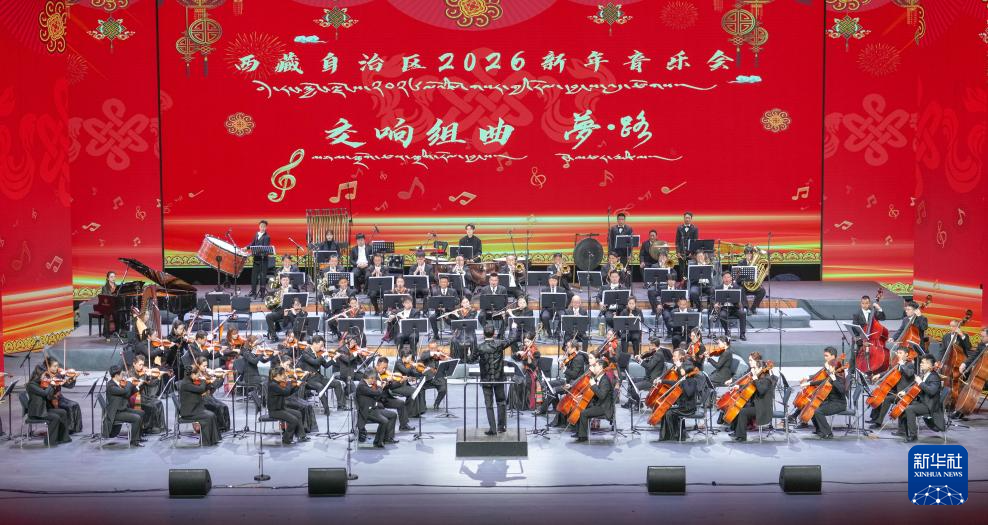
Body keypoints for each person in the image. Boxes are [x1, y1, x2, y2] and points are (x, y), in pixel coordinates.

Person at [896, 355, 945, 442]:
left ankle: (913, 436)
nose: (920, 364)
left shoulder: (934, 377)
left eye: (923, 363)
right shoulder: (924, 374)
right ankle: (904, 431)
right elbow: (915, 386)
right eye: (921, 363)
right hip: (923, 402)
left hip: (930, 405)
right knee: (903, 405)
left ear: (929, 365)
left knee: (909, 409)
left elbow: (931, 391)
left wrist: (921, 383)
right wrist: (905, 391)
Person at [657, 349, 702, 442]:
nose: (673, 358)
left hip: (688, 408)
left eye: (674, 356)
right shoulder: (685, 379)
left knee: (669, 413)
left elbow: (689, 393)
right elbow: (676, 383)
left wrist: (682, 377)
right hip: (683, 405)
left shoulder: (692, 381)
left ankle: (674, 436)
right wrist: (662, 381)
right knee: (666, 411)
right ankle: (669, 436)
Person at [801, 347, 846, 440]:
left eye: (826, 356)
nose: (828, 370)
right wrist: (808, 383)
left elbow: (842, 390)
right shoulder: (831, 373)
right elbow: (823, 381)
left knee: (818, 411)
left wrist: (834, 379)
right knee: (813, 406)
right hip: (830, 401)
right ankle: (820, 430)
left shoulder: (840, 374)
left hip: (839, 403)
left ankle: (828, 433)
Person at [729, 354, 777, 442]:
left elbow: (761, 391)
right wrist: (739, 387)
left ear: (761, 369)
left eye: (755, 369)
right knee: (740, 407)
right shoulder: (760, 378)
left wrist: (755, 379)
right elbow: (750, 386)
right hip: (757, 405)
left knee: (743, 412)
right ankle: (737, 432)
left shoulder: (767, 379)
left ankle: (742, 436)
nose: (754, 371)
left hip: (763, 408)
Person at [867, 346, 915, 427]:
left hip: (902, 392)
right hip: (894, 388)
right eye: (898, 353)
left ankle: (878, 422)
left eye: (900, 353)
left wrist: (902, 365)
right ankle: (874, 418)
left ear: (906, 354)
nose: (898, 355)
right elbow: (890, 371)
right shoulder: (898, 363)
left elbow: (909, 373)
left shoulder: (910, 364)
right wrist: (879, 375)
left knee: (887, 398)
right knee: (879, 393)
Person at [26, 365, 72, 446]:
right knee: (55, 417)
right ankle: (50, 441)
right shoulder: (31, 385)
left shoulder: (41, 384)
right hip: (37, 412)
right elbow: (44, 393)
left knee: (63, 412)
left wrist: (54, 387)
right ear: (38, 375)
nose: (45, 378)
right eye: (44, 376)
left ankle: (63, 438)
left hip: (43, 409)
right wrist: (51, 385)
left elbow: (49, 396)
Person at [178, 364, 222, 446]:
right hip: (189, 412)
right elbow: (201, 389)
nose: (198, 377)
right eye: (198, 375)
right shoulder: (186, 384)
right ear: (192, 374)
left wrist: (210, 383)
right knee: (210, 416)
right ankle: (206, 441)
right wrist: (204, 380)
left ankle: (213, 440)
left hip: (194, 409)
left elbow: (201, 389)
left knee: (211, 414)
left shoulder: (190, 381)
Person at [574, 356, 614, 442]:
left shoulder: (605, 380)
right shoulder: (600, 378)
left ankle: (583, 437)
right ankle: (578, 432)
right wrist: (582, 397)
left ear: (600, 367)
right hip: (600, 404)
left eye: (595, 366)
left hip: (604, 408)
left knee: (583, 413)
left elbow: (602, 396)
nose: (593, 367)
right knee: (581, 407)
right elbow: (596, 394)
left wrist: (593, 385)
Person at [477, 325, 508, 435]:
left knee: (489, 405)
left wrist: (470, 354)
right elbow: (513, 339)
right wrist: (514, 328)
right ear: (494, 334)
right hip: (498, 378)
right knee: (501, 402)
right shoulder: (499, 344)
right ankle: (501, 427)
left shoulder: (480, 347)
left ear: (483, 334)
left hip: (486, 380)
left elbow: (471, 359)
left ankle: (493, 429)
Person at [103, 365, 145, 447]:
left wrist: (137, 385)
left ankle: (138, 437)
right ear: (116, 375)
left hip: (122, 409)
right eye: (121, 374)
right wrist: (129, 382)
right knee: (136, 418)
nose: (123, 376)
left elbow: (128, 393)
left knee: (141, 413)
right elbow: (125, 392)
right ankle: (134, 441)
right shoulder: (111, 386)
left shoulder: (119, 384)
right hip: (115, 413)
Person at [40, 358, 83, 434]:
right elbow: (48, 395)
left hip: (59, 397)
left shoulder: (58, 374)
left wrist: (73, 378)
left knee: (76, 404)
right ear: (48, 367)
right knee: (69, 407)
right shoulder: (45, 377)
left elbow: (69, 386)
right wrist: (52, 384)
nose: (57, 368)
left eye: (57, 366)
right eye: (54, 366)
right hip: (50, 400)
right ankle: (68, 429)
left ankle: (76, 428)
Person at [356, 371, 398, 447]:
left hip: (374, 409)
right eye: (374, 379)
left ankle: (388, 438)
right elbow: (377, 393)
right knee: (384, 421)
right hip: (367, 412)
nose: (374, 381)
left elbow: (376, 396)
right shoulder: (361, 386)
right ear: (370, 378)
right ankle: (377, 442)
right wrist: (380, 386)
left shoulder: (367, 384)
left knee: (393, 415)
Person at [267, 366, 308, 444]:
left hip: (281, 408)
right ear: (277, 375)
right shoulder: (273, 385)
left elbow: (288, 393)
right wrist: (289, 383)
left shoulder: (278, 384)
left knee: (298, 414)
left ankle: (301, 436)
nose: (285, 376)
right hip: (275, 411)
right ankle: (286, 439)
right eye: (283, 374)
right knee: (294, 420)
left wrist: (297, 386)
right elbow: (286, 392)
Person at [374, 357, 416, 430]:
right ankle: (384, 430)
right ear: (377, 365)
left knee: (401, 403)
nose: (384, 370)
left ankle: (403, 425)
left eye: (386, 368)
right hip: (377, 400)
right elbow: (377, 384)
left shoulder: (384, 374)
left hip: (385, 398)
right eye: (383, 368)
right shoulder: (372, 373)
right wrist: (386, 380)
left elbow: (391, 386)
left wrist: (400, 381)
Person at [131, 355, 165, 434]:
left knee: (159, 403)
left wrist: (158, 378)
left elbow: (150, 384)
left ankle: (161, 427)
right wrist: (144, 377)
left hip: (143, 396)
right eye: (140, 365)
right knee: (152, 405)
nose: (142, 367)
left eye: (142, 365)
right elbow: (135, 387)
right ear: (134, 364)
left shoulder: (143, 373)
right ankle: (149, 428)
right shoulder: (131, 374)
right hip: (135, 398)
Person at [509, 334, 542, 412]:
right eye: (525, 342)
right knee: (514, 380)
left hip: (531, 372)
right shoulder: (523, 349)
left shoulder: (536, 352)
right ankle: (514, 404)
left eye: (528, 341)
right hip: (523, 371)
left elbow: (533, 366)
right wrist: (517, 353)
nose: (526, 343)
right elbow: (514, 358)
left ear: (532, 341)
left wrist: (529, 358)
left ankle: (523, 405)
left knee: (524, 381)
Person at [714, 272, 747, 341]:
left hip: (735, 308)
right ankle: (727, 331)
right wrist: (715, 304)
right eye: (725, 277)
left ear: (731, 278)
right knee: (722, 315)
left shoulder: (737, 287)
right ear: (722, 278)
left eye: (728, 277)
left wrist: (740, 304)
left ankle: (742, 334)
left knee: (743, 313)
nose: (726, 279)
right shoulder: (718, 288)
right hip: (724, 308)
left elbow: (742, 300)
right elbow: (713, 299)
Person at [419, 342, 450, 411]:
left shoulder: (440, 354)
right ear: (429, 348)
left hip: (438, 378)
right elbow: (423, 357)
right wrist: (433, 353)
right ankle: (423, 405)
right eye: (431, 348)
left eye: (435, 348)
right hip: (427, 378)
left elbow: (449, 363)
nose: (433, 349)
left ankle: (436, 404)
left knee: (443, 389)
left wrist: (446, 359)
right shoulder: (425, 353)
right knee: (420, 387)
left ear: (437, 347)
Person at [428, 275, 460, 340]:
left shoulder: (453, 291)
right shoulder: (435, 292)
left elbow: (457, 301)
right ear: (439, 283)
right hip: (439, 312)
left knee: (457, 317)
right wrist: (438, 307)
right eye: (442, 282)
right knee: (432, 317)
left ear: (448, 283)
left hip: (450, 311)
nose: (443, 283)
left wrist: (449, 304)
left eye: (445, 282)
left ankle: (456, 333)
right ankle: (436, 334)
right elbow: (433, 303)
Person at [739, 246, 766, 313]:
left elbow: (759, 275)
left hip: (753, 285)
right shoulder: (741, 262)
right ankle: (747, 308)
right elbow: (738, 277)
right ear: (745, 254)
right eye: (747, 254)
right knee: (740, 290)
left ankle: (753, 308)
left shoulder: (757, 263)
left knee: (762, 291)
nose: (749, 255)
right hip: (744, 286)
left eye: (750, 254)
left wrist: (761, 273)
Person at [450, 298, 478, 362]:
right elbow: (451, 322)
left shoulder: (473, 310)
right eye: (464, 302)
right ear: (461, 304)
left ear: (469, 303)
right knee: (453, 340)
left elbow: (468, 321)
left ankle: (471, 358)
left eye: (467, 302)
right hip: (460, 332)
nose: (466, 304)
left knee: (472, 340)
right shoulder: (459, 311)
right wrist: (446, 318)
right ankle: (458, 357)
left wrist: (458, 316)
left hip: (469, 331)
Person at [249, 220, 272, 298]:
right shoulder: (256, 234)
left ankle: (262, 293)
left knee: (262, 277)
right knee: (254, 277)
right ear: (259, 226)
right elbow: (252, 244)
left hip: (263, 260)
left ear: (266, 227)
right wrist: (247, 247)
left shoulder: (267, 237)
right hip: (256, 259)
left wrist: (255, 251)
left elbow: (264, 248)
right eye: (261, 226)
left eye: (264, 226)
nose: (262, 228)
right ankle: (253, 292)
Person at [674, 212, 698, 280]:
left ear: (691, 219)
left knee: (690, 268)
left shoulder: (695, 228)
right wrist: (678, 252)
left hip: (690, 253)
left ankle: (690, 282)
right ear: (684, 218)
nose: (687, 219)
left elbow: (695, 242)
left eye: (689, 218)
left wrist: (692, 252)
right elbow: (677, 241)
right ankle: (682, 282)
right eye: (686, 218)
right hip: (681, 252)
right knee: (682, 269)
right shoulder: (679, 228)